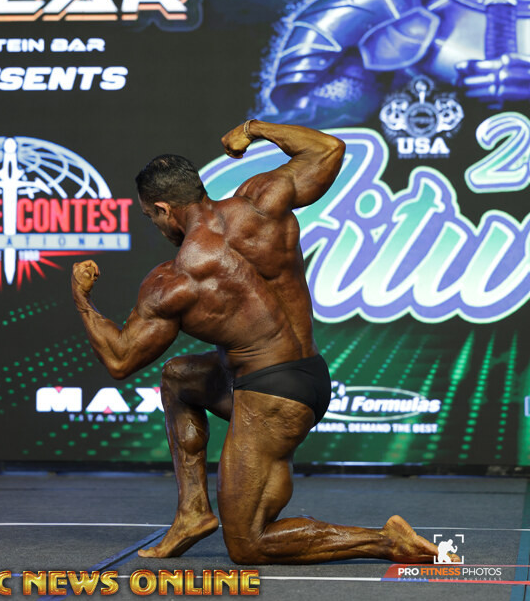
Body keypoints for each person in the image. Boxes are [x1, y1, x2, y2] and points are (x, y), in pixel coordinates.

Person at [72, 120, 443, 565]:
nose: (156, 225)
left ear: (165, 209)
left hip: (271, 401)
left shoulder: (175, 281)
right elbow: (328, 149)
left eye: (151, 217)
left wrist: (82, 299)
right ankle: (192, 512)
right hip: (307, 375)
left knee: (248, 542)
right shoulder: (261, 202)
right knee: (178, 378)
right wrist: (253, 130)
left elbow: (120, 359)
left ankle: (385, 541)